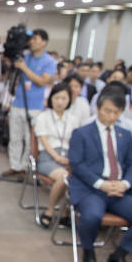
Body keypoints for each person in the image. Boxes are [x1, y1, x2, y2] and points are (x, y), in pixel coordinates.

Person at [68, 85, 132, 262]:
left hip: (118, 190)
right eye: (107, 110)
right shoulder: (81, 133)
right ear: (98, 109)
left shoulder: (124, 134)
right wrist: (101, 184)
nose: (111, 116)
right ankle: (89, 252)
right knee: (92, 216)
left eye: (116, 112)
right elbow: (77, 165)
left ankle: (118, 256)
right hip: (92, 189)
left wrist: (125, 183)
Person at [3, 29, 57, 178]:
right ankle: (15, 166)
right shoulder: (24, 57)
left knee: (29, 140)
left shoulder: (49, 61)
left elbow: (42, 81)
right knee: (14, 137)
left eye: (35, 39)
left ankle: (25, 167)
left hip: (34, 107)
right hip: (17, 103)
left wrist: (24, 68)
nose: (31, 42)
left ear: (44, 42)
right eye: (31, 39)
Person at [33, 83, 83, 228]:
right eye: (57, 98)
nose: (60, 102)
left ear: (69, 100)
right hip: (48, 157)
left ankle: (67, 212)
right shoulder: (43, 117)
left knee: (79, 176)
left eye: (64, 98)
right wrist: (57, 157)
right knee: (64, 178)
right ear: (51, 99)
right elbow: (44, 140)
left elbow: (77, 142)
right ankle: (50, 211)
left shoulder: (73, 119)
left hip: (69, 156)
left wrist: (71, 158)